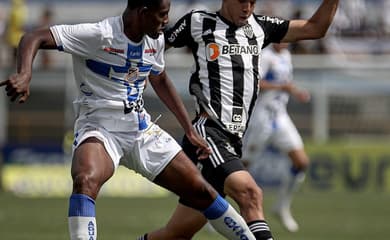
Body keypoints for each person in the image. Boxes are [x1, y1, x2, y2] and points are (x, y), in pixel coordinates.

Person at [0, 0, 260, 239]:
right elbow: (35, 36)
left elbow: (159, 79)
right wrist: (24, 74)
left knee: (201, 192)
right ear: (142, 12)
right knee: (85, 180)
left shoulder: (154, 38)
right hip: (99, 128)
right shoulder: (99, 34)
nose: (165, 21)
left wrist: (189, 131)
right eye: (161, 15)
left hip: (140, 129)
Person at [140, 0, 339, 239]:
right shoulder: (198, 22)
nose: (248, 7)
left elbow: (315, 28)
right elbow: (152, 45)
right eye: (242, 1)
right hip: (208, 134)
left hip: (233, 140)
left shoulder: (260, 27)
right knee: (250, 193)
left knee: (176, 234)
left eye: (253, 2)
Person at [242, 42, 310, 233]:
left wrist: (295, 91)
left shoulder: (286, 55)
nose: (284, 41)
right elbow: (255, 83)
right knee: (241, 167)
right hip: (260, 118)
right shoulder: (265, 55)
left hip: (280, 117)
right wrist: (283, 87)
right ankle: (216, 211)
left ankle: (282, 206)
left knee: (301, 162)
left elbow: (285, 84)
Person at [5, 0, 27, 66]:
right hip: (18, 35)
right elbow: (21, 24)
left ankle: (14, 66)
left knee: (14, 53)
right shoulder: (21, 10)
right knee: (19, 53)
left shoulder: (13, 10)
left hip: (13, 35)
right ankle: (18, 66)